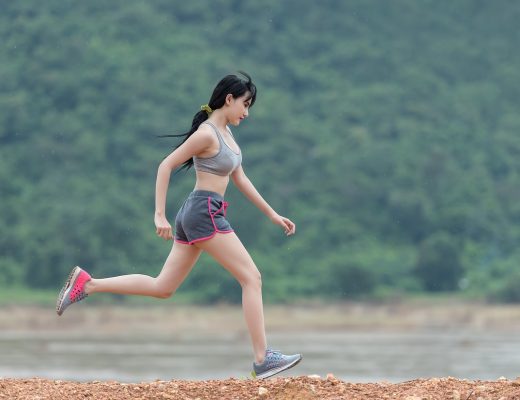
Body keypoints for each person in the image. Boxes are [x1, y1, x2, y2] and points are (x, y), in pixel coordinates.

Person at [56, 72, 302, 379]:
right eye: (245, 104)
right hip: (204, 213)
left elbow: (240, 178)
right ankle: (263, 359)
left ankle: (88, 284)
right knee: (252, 278)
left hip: (198, 213)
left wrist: (272, 214)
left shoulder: (226, 134)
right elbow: (166, 165)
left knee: (163, 287)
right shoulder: (207, 133)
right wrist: (159, 214)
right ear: (229, 99)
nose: (247, 112)